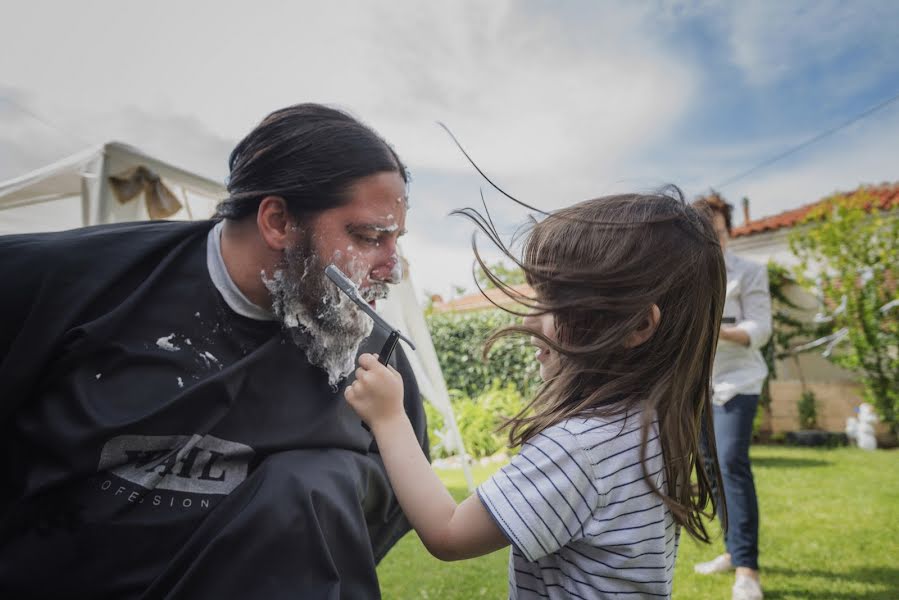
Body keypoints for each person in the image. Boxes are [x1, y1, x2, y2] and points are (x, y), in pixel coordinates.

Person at [0, 103, 428, 599]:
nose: (393, 268)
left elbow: (398, 493)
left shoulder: (371, 357)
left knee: (315, 480)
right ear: (278, 220)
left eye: (395, 239)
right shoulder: (68, 281)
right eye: (370, 236)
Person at [345, 188, 727, 599]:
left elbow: (449, 533)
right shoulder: (649, 428)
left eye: (553, 301)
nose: (529, 318)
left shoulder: (582, 448)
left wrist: (389, 418)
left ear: (637, 325)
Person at [692, 192, 771, 600]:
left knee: (730, 462)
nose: (713, 240)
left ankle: (748, 571)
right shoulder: (688, 278)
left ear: (728, 231)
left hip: (740, 382)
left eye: (718, 232)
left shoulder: (749, 272)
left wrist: (713, 329)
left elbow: (760, 330)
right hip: (701, 386)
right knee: (710, 469)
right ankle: (731, 549)